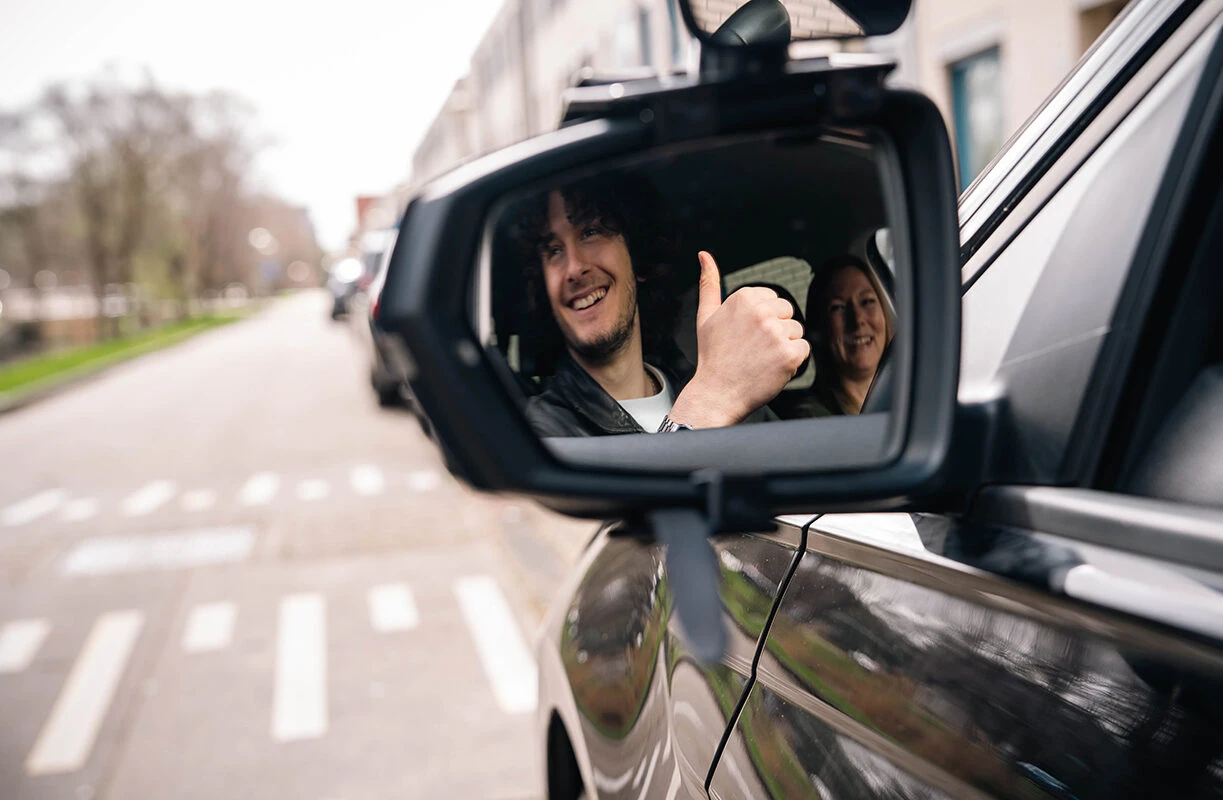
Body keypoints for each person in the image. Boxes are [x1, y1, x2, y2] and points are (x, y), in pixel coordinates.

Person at [512, 173, 809, 437]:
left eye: (590, 232)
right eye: (553, 250)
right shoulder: (537, 435)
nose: (574, 268)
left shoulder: (728, 391)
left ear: (637, 259)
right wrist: (704, 407)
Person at [795, 254, 895, 417]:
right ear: (819, 330)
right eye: (839, 308)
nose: (857, 320)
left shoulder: (914, 395)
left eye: (867, 301)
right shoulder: (812, 420)